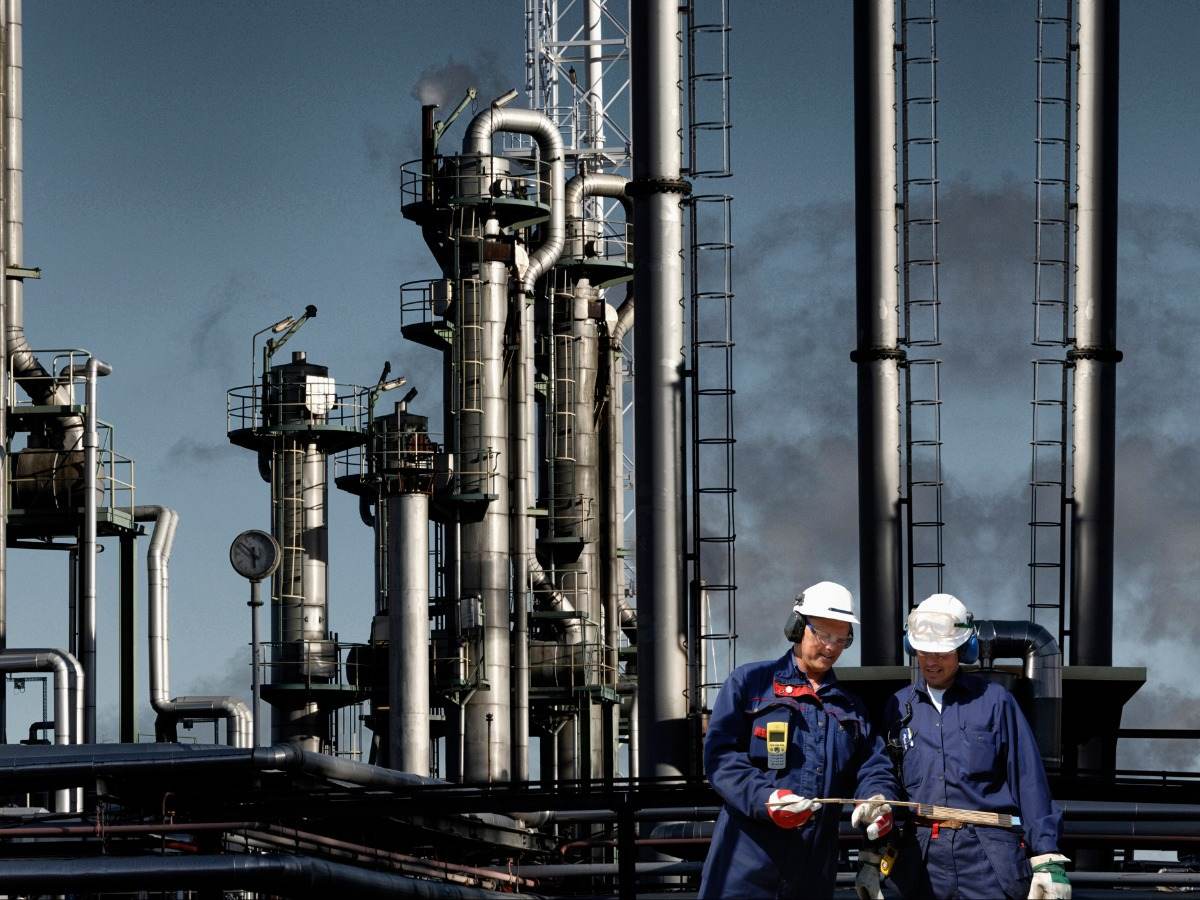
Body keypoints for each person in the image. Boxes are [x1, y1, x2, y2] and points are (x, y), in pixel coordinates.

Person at [852, 593, 1071, 900]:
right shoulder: (898, 707)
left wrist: (1047, 857)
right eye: (924, 651)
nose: (931, 661)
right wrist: (877, 807)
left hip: (987, 860)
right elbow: (883, 772)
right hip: (920, 857)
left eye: (941, 653)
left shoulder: (996, 703)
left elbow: (1028, 781)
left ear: (963, 649)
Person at [699, 581, 880, 899]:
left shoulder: (850, 707)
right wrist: (765, 798)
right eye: (824, 635)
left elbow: (871, 765)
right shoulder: (751, 684)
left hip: (811, 874)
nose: (832, 647)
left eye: (842, 639)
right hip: (744, 869)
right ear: (797, 627)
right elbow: (720, 757)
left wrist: (876, 797)